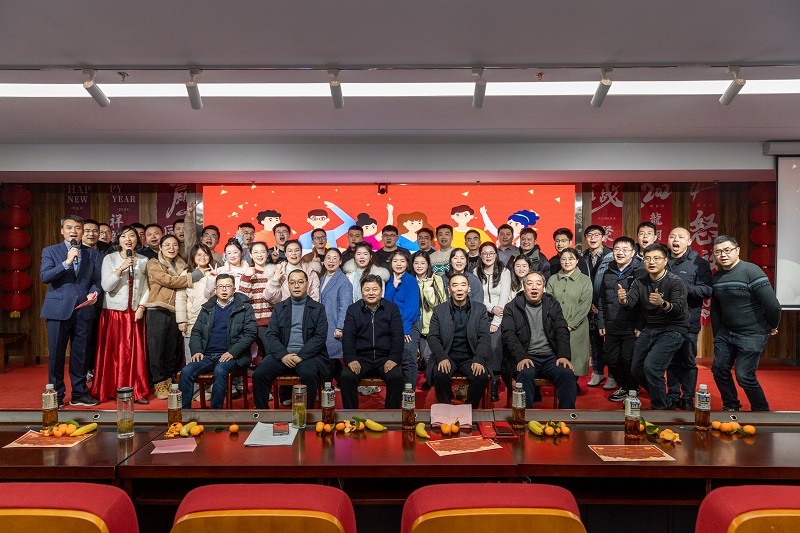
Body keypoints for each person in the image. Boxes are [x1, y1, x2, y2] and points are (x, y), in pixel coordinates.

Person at [710, 235, 781, 411]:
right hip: (726, 332)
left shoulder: (752, 271)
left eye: (727, 250)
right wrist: (717, 335)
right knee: (719, 369)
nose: (723, 255)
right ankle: (731, 406)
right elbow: (716, 310)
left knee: (744, 376)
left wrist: (772, 325)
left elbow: (773, 305)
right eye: (718, 252)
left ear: (737, 250)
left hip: (752, 333)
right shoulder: (716, 277)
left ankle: (761, 410)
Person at [617, 243, 689, 410]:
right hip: (651, 327)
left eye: (656, 258)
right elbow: (630, 303)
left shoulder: (675, 282)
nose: (651, 262)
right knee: (636, 369)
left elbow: (678, 310)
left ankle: (659, 409)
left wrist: (663, 303)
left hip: (674, 328)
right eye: (648, 259)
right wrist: (623, 300)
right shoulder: (640, 281)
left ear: (665, 261)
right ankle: (664, 401)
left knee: (652, 367)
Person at [40, 215, 102, 407]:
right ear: (62, 231)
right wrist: (66, 263)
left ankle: (79, 393)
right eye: (69, 228)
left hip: (84, 309)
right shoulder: (51, 251)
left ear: (82, 231)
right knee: (56, 355)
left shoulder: (92, 253)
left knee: (80, 354)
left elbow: (96, 280)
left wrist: (94, 293)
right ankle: (56, 395)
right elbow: (45, 276)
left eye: (77, 228)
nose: (73, 231)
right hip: (58, 310)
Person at [178, 274, 257, 409]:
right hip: (207, 355)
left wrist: (232, 352)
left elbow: (250, 334)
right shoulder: (208, 307)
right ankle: (184, 412)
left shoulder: (244, 307)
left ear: (234, 289)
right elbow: (196, 332)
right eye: (220, 286)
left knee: (220, 370)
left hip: (232, 356)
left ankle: (215, 412)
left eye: (227, 286)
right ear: (215, 289)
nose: (224, 289)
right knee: (186, 371)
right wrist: (197, 350)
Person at [91, 225, 150, 404]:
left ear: (137, 240)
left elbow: (148, 287)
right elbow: (106, 286)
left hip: (134, 312)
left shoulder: (144, 260)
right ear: (119, 240)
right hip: (114, 313)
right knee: (113, 353)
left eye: (132, 236)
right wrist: (120, 269)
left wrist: (142, 307)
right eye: (124, 236)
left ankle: (137, 390)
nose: (128, 239)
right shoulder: (110, 258)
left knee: (134, 354)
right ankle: (109, 389)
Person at [252, 269, 327, 409]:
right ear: (288, 285)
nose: (296, 286)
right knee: (259, 374)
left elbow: (320, 337)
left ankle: (307, 413)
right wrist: (283, 355)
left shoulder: (318, 308)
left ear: (307, 284)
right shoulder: (279, 307)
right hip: (282, 355)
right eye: (292, 283)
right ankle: (262, 415)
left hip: (307, 356)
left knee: (309, 374)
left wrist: (301, 356)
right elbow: (271, 335)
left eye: (300, 282)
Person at [501, 272, 577, 409]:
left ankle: (566, 415)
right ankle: (526, 416)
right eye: (530, 284)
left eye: (538, 283)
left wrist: (563, 356)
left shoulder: (552, 304)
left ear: (543, 287)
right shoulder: (512, 307)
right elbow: (509, 335)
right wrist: (521, 357)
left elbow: (561, 330)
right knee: (526, 373)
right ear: (524, 287)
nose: (534, 287)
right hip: (526, 355)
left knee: (566, 373)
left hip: (550, 357)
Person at [339, 274, 405, 409]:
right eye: (367, 289)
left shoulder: (392, 309)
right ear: (361, 291)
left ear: (381, 291)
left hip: (384, 358)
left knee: (396, 377)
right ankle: (350, 415)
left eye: (375, 289)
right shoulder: (353, 309)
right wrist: (351, 358)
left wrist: (394, 358)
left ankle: (391, 415)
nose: (371, 293)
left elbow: (397, 336)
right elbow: (348, 337)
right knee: (346, 377)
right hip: (361, 358)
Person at [666, 226, 713, 410]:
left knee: (687, 361)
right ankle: (672, 395)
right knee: (670, 360)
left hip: (688, 322)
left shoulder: (699, 263)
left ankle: (687, 398)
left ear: (689, 241)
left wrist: (682, 288)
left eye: (680, 237)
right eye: (672, 236)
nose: (675, 240)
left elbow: (706, 290)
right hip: (665, 321)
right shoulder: (662, 260)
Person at [428, 274, 491, 407]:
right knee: (440, 374)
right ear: (449, 289)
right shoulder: (439, 310)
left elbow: (484, 336)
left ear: (469, 288)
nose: (459, 289)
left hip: (470, 356)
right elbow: (433, 337)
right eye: (455, 285)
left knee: (481, 377)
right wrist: (441, 357)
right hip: (448, 355)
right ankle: (445, 409)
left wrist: (479, 359)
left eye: (463, 285)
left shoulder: (480, 309)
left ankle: (469, 408)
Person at [596, 237, 644, 402]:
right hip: (612, 324)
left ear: (633, 253)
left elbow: (643, 303)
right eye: (617, 249)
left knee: (628, 359)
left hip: (631, 326)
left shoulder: (639, 272)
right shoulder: (608, 271)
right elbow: (602, 299)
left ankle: (632, 390)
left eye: (625, 249)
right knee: (610, 359)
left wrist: (640, 324)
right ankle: (624, 386)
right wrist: (601, 322)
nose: (620, 252)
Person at [145, 234, 192, 400]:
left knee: (171, 349)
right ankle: (158, 382)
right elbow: (169, 281)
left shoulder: (183, 264)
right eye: (167, 245)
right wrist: (192, 278)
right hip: (157, 308)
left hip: (175, 310)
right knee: (156, 348)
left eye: (175, 245)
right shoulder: (153, 263)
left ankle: (170, 379)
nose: (171, 248)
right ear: (160, 247)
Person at [546, 248, 593, 389]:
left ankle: (573, 382)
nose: (567, 262)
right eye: (564, 259)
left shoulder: (585, 280)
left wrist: (571, 323)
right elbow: (548, 301)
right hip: (556, 323)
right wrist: (557, 323)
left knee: (575, 355)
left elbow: (585, 305)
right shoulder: (553, 279)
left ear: (577, 261)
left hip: (578, 324)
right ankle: (562, 380)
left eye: (571, 258)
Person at [175, 243, 214, 400]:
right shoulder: (187, 274)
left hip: (211, 322)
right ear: (192, 257)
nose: (202, 257)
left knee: (210, 356)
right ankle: (195, 391)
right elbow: (180, 298)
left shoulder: (215, 272)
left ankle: (209, 388)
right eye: (199, 255)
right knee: (192, 358)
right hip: (191, 321)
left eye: (205, 254)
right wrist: (181, 320)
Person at [476, 242, 511, 402]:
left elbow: (504, 297)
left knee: (495, 347)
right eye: (485, 253)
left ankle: (495, 382)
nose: (488, 256)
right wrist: (491, 308)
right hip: (481, 314)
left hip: (500, 316)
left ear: (496, 255)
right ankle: (480, 380)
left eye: (491, 253)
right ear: (480, 255)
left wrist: (496, 321)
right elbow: (477, 297)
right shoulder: (475, 272)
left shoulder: (504, 272)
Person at [582, 224, 615, 390]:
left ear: (603, 237)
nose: (592, 238)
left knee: (610, 343)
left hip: (607, 305)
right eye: (589, 235)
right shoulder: (582, 256)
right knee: (595, 341)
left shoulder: (611, 256)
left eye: (596, 235)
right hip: (589, 305)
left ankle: (613, 375)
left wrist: (600, 304)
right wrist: (588, 303)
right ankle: (597, 371)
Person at [384, 249, 421, 388]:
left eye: (402, 261)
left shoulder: (410, 280)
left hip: (409, 324)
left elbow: (411, 307)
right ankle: (397, 390)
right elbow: (385, 304)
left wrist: (405, 329)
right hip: (392, 324)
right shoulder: (389, 280)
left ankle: (409, 391)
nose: (398, 264)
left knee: (408, 358)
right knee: (393, 358)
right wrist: (393, 286)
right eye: (395, 261)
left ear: (407, 263)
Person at [410, 251, 447, 389]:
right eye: (416, 263)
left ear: (428, 264)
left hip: (432, 324)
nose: (419, 266)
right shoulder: (410, 280)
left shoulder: (436, 279)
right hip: (415, 323)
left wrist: (427, 287)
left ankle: (437, 382)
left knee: (428, 355)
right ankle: (430, 378)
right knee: (419, 357)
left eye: (423, 263)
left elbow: (437, 304)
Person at [319, 248, 353, 382]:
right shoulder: (322, 278)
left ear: (340, 262)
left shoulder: (343, 281)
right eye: (328, 258)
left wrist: (340, 327)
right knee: (328, 358)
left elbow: (345, 306)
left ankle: (328, 388)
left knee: (331, 357)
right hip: (323, 324)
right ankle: (342, 384)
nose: (331, 261)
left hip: (333, 325)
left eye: (335, 258)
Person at [238, 242, 274, 368]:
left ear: (267, 254)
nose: (259, 255)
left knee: (270, 352)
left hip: (272, 320)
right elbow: (243, 298)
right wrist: (247, 277)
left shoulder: (273, 272)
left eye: (262, 252)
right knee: (268, 351)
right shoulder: (248, 273)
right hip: (255, 321)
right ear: (251, 255)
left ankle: (266, 376)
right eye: (256, 252)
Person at [184, 200, 223, 266]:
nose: (209, 238)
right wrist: (189, 214)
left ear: (218, 241)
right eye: (206, 235)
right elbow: (189, 234)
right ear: (201, 238)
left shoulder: (222, 258)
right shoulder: (193, 251)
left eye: (213, 236)